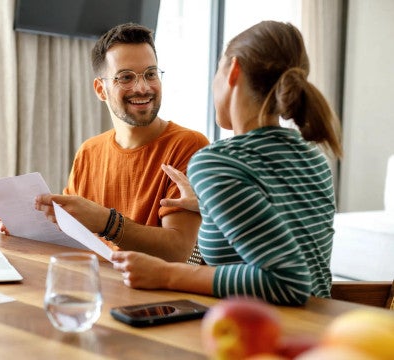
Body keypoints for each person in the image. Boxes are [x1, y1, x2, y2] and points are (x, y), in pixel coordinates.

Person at [111, 20, 343, 306]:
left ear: (233, 71)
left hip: (266, 336)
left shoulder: (216, 164)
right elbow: (285, 225)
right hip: (322, 337)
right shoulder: (314, 158)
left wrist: (167, 274)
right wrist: (211, 204)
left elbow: (289, 284)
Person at [15, 23, 209, 262]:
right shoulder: (89, 151)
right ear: (100, 89)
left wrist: (106, 222)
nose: (143, 87)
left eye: (150, 74)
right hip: (96, 290)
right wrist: (26, 229)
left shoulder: (189, 145)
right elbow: (74, 237)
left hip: (151, 298)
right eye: (126, 77)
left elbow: (179, 250)